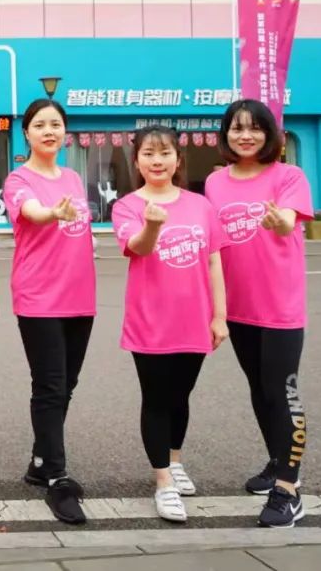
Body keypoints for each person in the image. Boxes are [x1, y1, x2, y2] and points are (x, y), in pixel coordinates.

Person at [205, 99, 313, 529]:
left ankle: (288, 489)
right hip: (238, 307)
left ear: (270, 134)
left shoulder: (289, 176)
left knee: (283, 391)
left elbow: (287, 219)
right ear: (226, 134)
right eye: (237, 128)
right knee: (260, 389)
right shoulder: (215, 182)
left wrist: (280, 222)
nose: (245, 135)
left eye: (254, 128)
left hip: (280, 305)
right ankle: (277, 460)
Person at [111, 125, 228, 524]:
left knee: (181, 397)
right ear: (137, 160)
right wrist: (153, 225)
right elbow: (138, 247)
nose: (157, 161)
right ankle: (163, 482)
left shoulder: (200, 205)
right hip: (150, 322)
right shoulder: (127, 206)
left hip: (195, 319)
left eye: (164, 153)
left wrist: (219, 315)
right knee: (157, 399)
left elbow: (213, 260)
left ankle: (175, 461)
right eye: (148, 153)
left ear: (178, 160)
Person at [3, 99, 96, 525]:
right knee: (50, 386)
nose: (48, 131)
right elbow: (31, 211)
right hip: (40, 297)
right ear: (26, 133)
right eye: (39, 125)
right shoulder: (19, 179)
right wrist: (51, 212)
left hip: (80, 295)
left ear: (65, 131)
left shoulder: (73, 177)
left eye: (55, 124)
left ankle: (41, 462)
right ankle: (57, 477)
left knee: (66, 384)